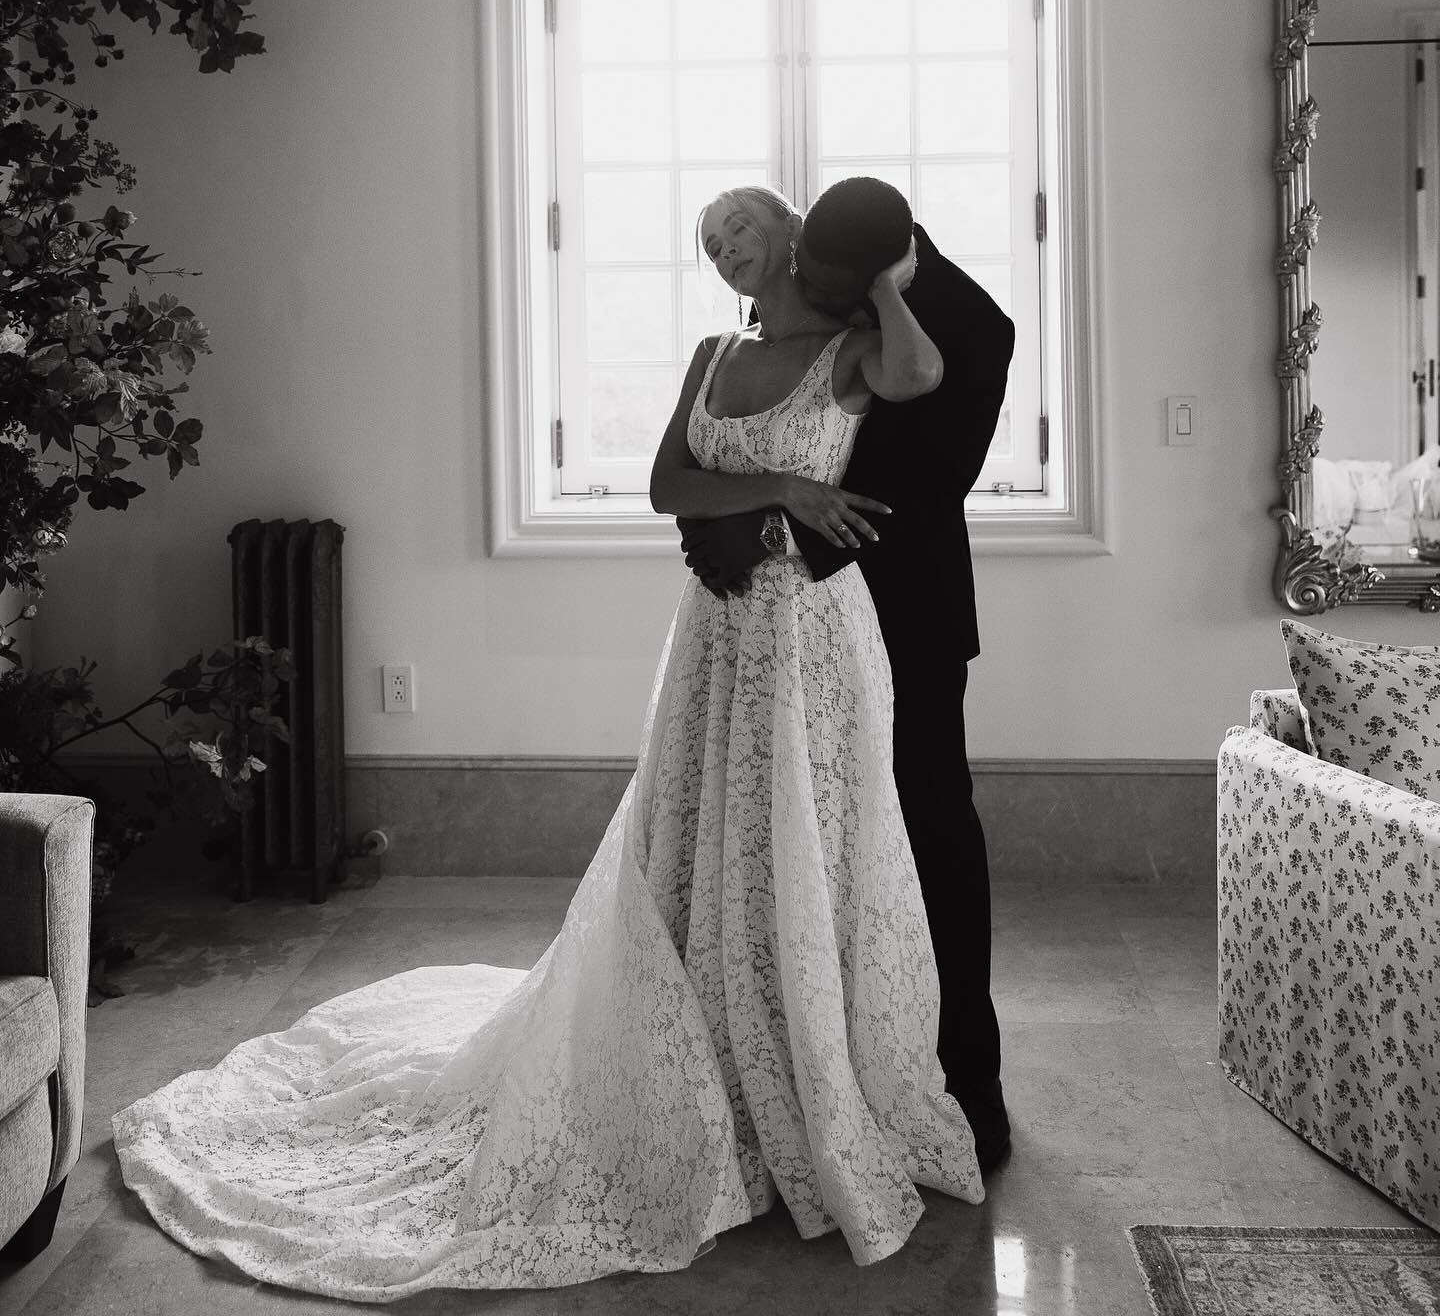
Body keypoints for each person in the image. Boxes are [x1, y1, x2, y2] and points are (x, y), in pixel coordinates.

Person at [111, 182, 982, 1304]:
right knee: (696, 836)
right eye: (707, 242)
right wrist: (783, 491)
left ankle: (806, 1076)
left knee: (810, 846)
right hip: (718, 634)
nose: (723, 251)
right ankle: (705, 1054)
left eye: (739, 228)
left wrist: (877, 281)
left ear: (789, 231)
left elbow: (923, 377)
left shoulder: (862, 348)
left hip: (816, 640)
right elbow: (670, 481)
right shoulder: (714, 354)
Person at [679, 176, 1015, 1171]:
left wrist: (762, 530)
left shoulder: (973, 325)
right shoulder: (822, 270)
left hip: (906, 617)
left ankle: (966, 1085)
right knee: (794, 838)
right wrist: (721, 517)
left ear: (875, 270)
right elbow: (763, 415)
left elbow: (923, 484)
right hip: (782, 620)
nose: (806, 288)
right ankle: (791, 1067)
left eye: (831, 281)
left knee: (927, 835)